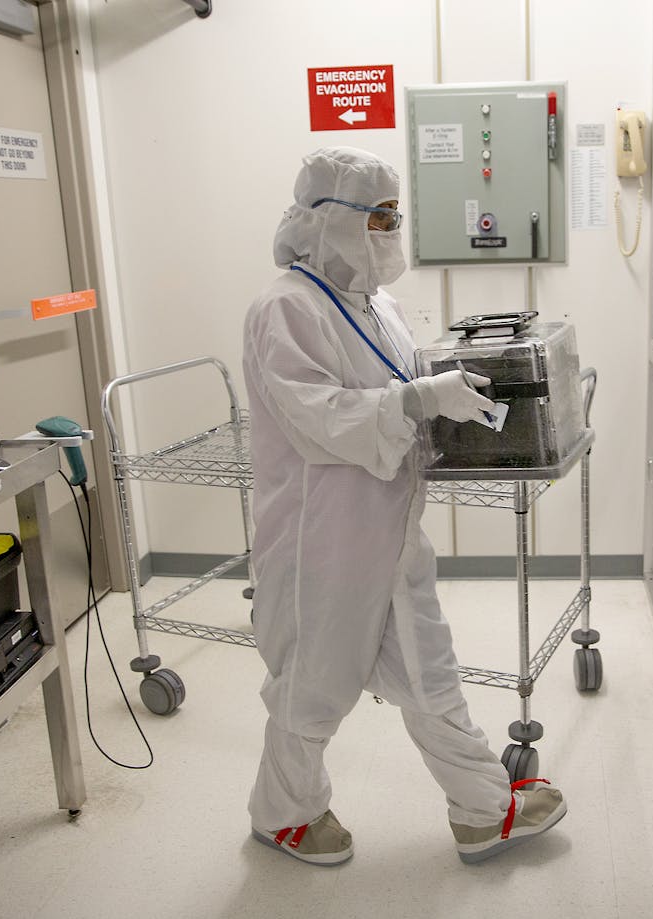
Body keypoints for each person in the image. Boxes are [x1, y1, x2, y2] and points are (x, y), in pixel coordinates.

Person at [242, 146, 567, 866]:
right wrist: (420, 398)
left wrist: (446, 380)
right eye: (380, 217)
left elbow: (397, 377)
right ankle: (285, 813)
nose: (393, 231)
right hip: (320, 541)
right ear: (332, 221)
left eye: (397, 215)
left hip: (389, 528)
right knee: (313, 683)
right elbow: (318, 418)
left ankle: (484, 809)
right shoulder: (283, 309)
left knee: (432, 672)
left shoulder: (375, 304)